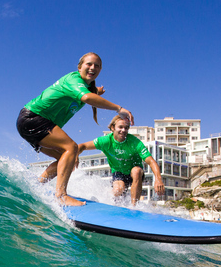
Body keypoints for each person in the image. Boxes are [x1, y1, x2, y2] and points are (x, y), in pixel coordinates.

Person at [16, 52, 134, 206]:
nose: (93, 68)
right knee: (71, 148)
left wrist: (97, 91)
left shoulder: (85, 86)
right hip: (33, 118)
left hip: (31, 122)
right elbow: (86, 97)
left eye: (97, 66)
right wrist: (119, 108)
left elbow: (90, 93)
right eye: (89, 64)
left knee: (66, 159)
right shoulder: (73, 79)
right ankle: (61, 195)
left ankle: (37, 185)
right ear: (79, 67)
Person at [77, 116, 165, 205]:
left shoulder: (134, 142)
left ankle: (134, 207)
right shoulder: (106, 141)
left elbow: (151, 161)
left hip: (134, 173)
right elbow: (82, 146)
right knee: (118, 190)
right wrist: (75, 155)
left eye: (126, 128)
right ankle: (113, 205)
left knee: (136, 171)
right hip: (119, 172)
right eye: (120, 127)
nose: (123, 130)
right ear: (113, 127)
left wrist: (158, 179)